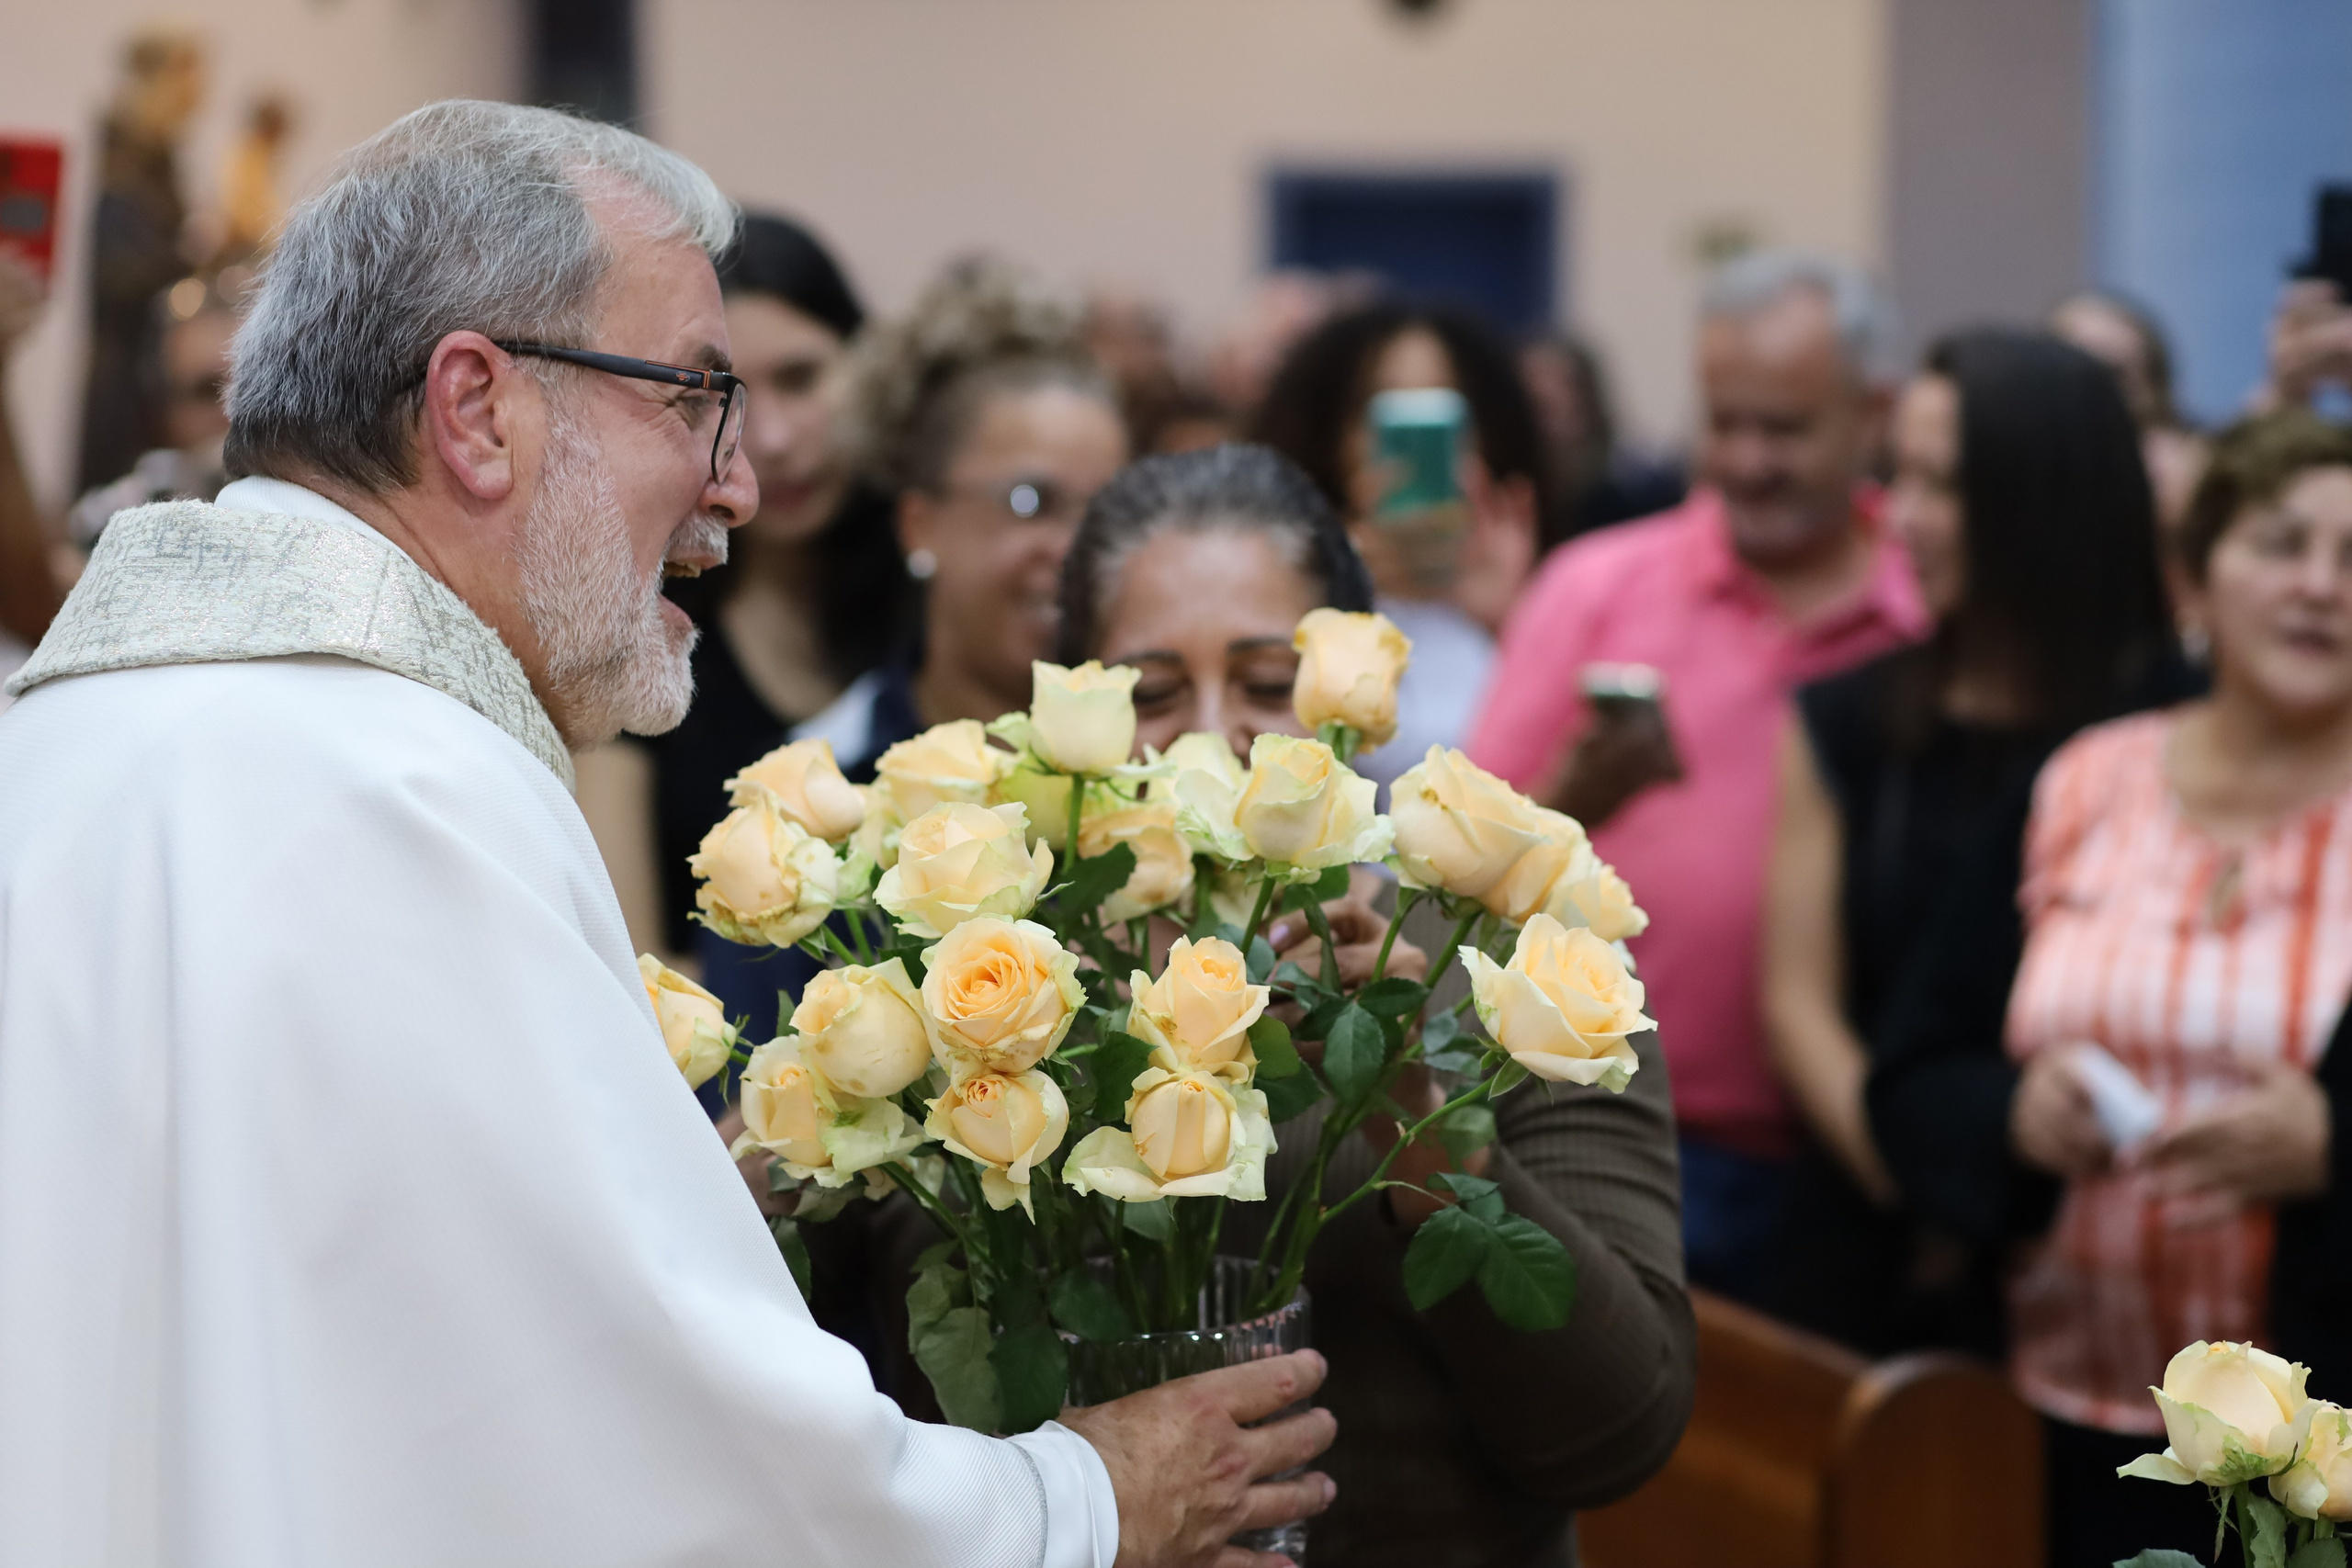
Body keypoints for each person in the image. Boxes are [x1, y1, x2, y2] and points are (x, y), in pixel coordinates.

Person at [0, 100, 1336, 1567]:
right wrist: (1082, 1498)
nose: (738, 487)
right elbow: (654, 1446)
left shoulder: (68, 741)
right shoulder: (408, 786)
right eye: (694, 395)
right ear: (474, 408)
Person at [1057, 441, 1694, 1568]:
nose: (1211, 732)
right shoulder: (998, 998)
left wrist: (1425, 1120)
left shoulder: (1503, 964)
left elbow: (1616, 1434)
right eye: (1152, 692)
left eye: (1266, 685)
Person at [1869, 409, 2352, 1565]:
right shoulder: (2081, 780)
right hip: (2046, 1423)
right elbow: (1916, 1069)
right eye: (2280, 544)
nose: (2319, 587)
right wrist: (2007, 1115)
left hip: (2325, 1469)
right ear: (2195, 574)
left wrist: (2339, 1146)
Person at [1466, 252, 1928, 1303]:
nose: (1748, 460)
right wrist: (1575, 789)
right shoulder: (1597, 587)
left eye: (1786, 428)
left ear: (1874, 414)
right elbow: (1455, 864)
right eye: (1725, 424)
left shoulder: (1925, 607)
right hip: (1605, 1136)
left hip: (1850, 1165)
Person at [1759, 331, 2177, 1357]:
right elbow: (1795, 999)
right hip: (1865, 1237)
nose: (1900, 516)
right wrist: (1920, 1182)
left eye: (1941, 484)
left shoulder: (2168, 726)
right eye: (1896, 472)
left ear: (2041, 500)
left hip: (2126, 1244)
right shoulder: (1847, 721)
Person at [574, 211, 905, 965]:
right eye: (721, 397)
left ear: (871, 364)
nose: (775, 440)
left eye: (803, 378)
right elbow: (633, 969)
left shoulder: (938, 600)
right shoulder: (642, 627)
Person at [794, 255, 1129, 776]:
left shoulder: (1156, 776)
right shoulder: (818, 784)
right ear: (919, 526)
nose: (1074, 550)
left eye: (1106, 512)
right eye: (1032, 502)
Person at [1249, 301, 1546, 799]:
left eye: (1442, 417)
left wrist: (1516, 623)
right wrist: (1336, 580)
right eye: (1386, 416)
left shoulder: (1530, 590)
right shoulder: (1278, 579)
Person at [76, 25, 205, 493]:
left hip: (147, 359)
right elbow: (119, 275)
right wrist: (191, 251)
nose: (199, 97)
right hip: (120, 366)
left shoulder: (158, 158)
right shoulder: (121, 160)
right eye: (189, 83)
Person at [64, 270, 239, 546]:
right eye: (208, 391)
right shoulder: (115, 524)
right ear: (164, 414)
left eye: (252, 389)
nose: (234, 413)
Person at [2050, 288, 2207, 548]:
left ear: (2154, 391)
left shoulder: (2184, 475)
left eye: (2114, 374)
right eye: (2075, 373)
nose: (2091, 392)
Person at [1517, 330, 1685, 552]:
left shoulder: (1641, 491)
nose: (1551, 398)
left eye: (1564, 385)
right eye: (1536, 395)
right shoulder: (1514, 497)